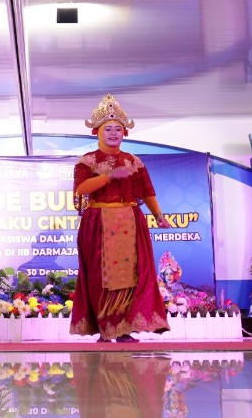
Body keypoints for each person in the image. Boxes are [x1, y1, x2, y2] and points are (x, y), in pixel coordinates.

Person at [69, 93, 171, 343]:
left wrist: (158, 215)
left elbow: (147, 191)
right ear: (98, 132)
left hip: (129, 222)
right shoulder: (87, 161)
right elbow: (81, 190)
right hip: (99, 223)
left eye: (118, 129)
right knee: (100, 277)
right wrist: (109, 176)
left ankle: (124, 329)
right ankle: (106, 329)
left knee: (131, 277)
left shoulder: (134, 161)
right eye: (108, 128)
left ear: (124, 133)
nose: (114, 133)